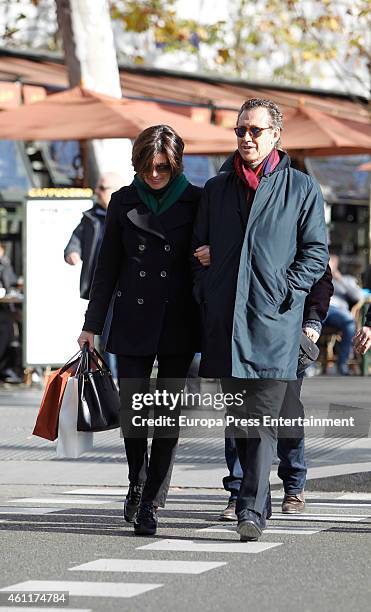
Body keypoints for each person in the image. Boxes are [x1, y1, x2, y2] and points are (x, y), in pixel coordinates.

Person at [192, 98, 328, 541]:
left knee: (266, 416)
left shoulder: (300, 188)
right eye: (240, 131)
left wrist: (285, 292)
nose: (246, 138)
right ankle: (252, 498)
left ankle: (251, 508)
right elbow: (197, 252)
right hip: (228, 322)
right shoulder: (216, 189)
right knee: (240, 418)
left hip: (276, 323)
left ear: (275, 136)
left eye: (255, 131)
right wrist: (209, 285)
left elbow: (316, 253)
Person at [77, 125, 208, 536]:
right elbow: (106, 268)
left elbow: (212, 252)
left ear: (176, 164)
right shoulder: (122, 201)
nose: (154, 175)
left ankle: (151, 500)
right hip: (132, 319)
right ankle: (137, 479)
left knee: (168, 415)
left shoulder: (196, 199)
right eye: (148, 167)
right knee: (133, 411)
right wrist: (90, 326)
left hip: (178, 319)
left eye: (163, 168)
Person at [219, 265, 333, 520]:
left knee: (287, 409)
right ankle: (239, 490)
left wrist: (313, 318)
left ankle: (293, 482)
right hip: (240, 327)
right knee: (239, 410)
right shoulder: (232, 224)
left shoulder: (295, 224)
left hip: (286, 329)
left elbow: (320, 273)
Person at [64, 172, 122, 376]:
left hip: (123, 286)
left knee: (112, 335)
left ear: (117, 191)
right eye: (98, 187)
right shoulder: (91, 217)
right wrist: (72, 252)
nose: (97, 192)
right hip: (100, 286)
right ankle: (112, 380)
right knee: (103, 336)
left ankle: (117, 380)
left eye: (102, 188)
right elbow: (75, 240)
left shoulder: (128, 214)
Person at [324, 252, 364, 375]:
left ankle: (342, 364)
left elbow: (358, 297)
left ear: (336, 264)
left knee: (350, 324)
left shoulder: (347, 279)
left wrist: (339, 279)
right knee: (306, 324)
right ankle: (308, 365)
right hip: (321, 309)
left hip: (338, 311)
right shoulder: (319, 279)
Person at [0, 243, 22, 383]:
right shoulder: (4, 264)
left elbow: (11, 283)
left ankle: (10, 368)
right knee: (6, 328)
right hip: (4, 308)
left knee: (10, 328)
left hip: (6, 306)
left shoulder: (5, 263)